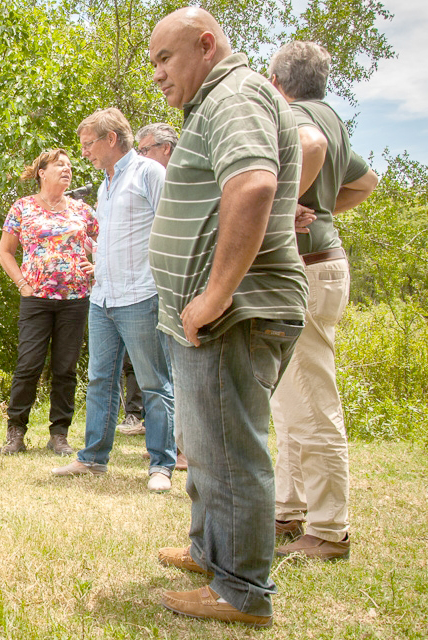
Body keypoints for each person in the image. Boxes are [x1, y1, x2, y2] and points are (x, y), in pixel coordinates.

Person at [147, 8, 308, 627]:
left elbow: (253, 188)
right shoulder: (219, 98)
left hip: (235, 314)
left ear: (205, 45)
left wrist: (213, 298)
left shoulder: (234, 95)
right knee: (208, 445)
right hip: (215, 316)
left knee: (230, 450)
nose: (157, 74)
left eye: (165, 58)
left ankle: (241, 592)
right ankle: (209, 554)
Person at [267, 41, 379, 560]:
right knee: (290, 398)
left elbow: (304, 152)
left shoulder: (293, 117)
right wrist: (321, 208)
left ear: (276, 79)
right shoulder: (331, 117)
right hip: (323, 264)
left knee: (312, 401)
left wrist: (284, 205)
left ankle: (330, 529)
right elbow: (366, 181)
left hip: (307, 271)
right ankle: (288, 511)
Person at [51, 108, 177, 492]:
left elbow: (173, 228)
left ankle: (161, 465)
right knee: (101, 380)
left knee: (154, 382)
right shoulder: (106, 185)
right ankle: (93, 459)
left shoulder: (150, 174)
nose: (84, 153)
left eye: (89, 144)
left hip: (141, 294)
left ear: (110, 139)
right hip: (103, 298)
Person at [0, 149, 98, 456]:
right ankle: (15, 432)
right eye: (60, 165)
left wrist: (98, 268)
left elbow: (107, 241)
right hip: (36, 299)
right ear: (42, 172)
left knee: (65, 368)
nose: (67, 170)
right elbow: (5, 252)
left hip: (75, 299)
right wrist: (22, 284)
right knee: (28, 365)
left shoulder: (82, 211)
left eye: (69, 166)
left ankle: (59, 434)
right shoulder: (23, 208)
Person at [134, 123, 188, 472]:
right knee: (164, 370)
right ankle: (170, 442)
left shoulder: (183, 180)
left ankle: (183, 449)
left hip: (182, 287)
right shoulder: (149, 183)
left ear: (166, 148)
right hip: (153, 288)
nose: (140, 157)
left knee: (182, 369)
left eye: (146, 149)